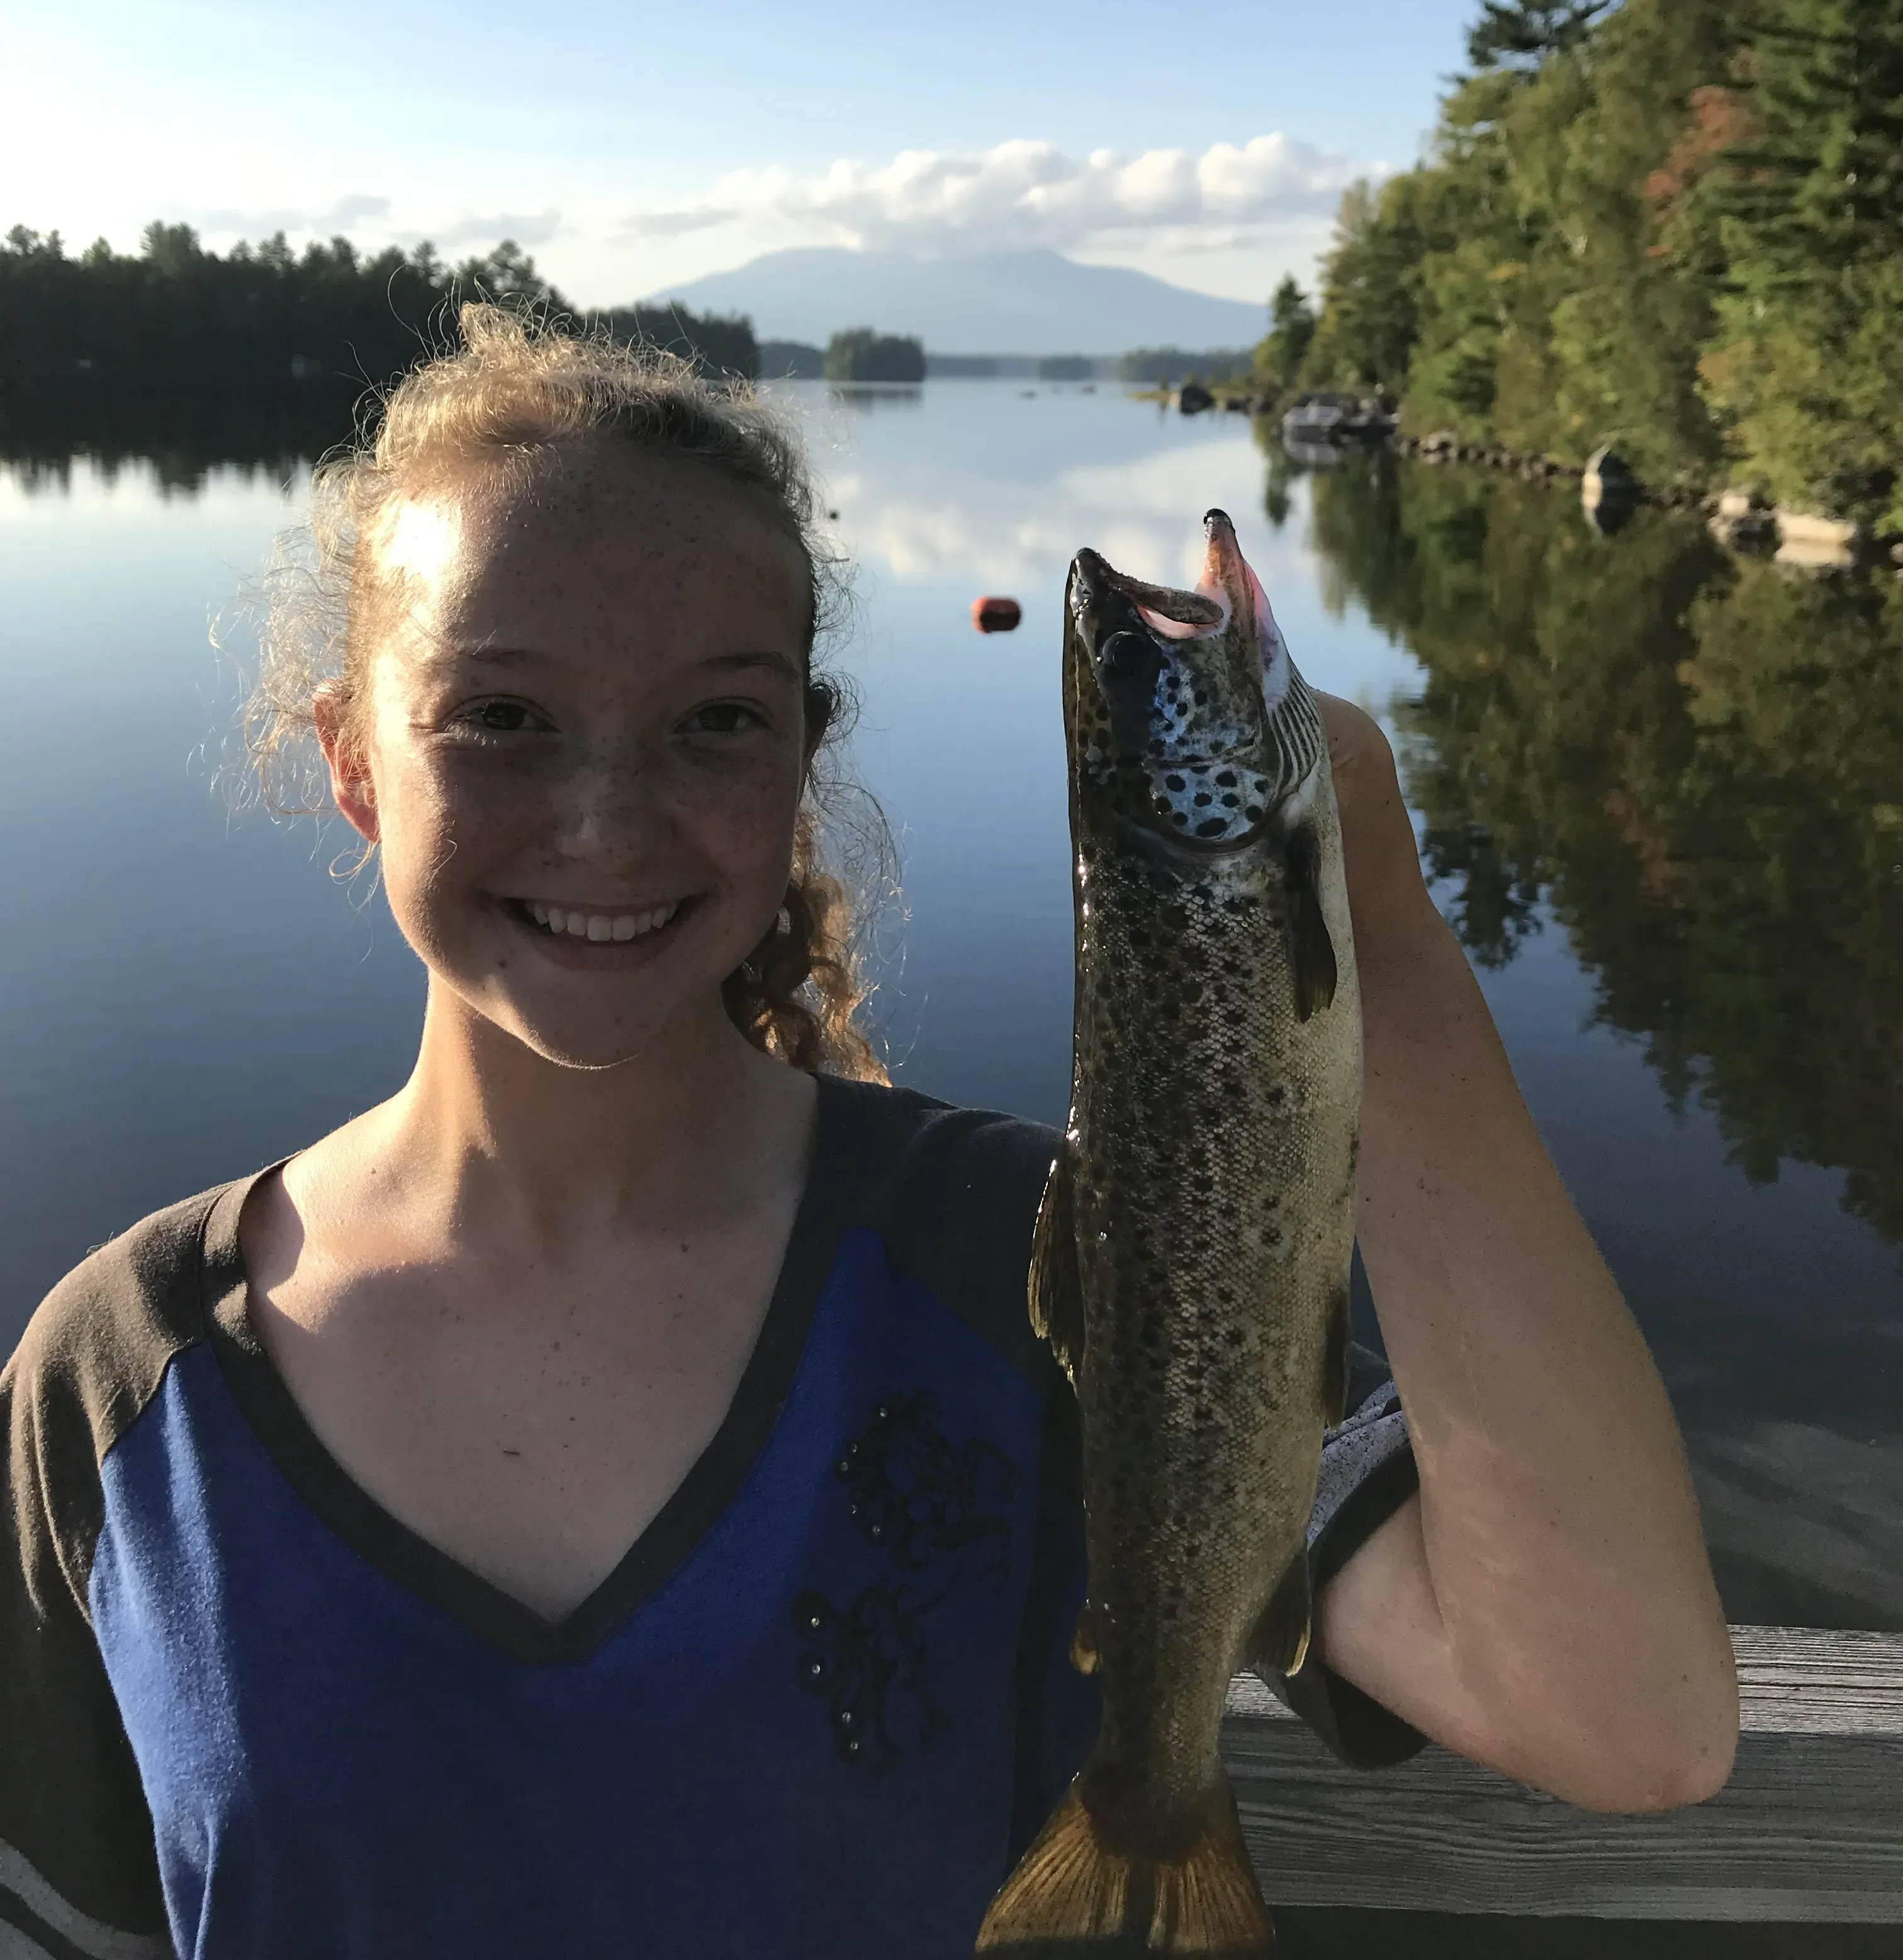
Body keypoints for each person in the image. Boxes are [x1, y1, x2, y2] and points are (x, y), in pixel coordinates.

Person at [0, 313, 1738, 1959]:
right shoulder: (120, 1377)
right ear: (356, 762)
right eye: (502, 717)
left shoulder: (1031, 1263)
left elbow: (1623, 1717)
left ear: (798, 761)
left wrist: (1366, 921)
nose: (608, 822)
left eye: (717, 722)